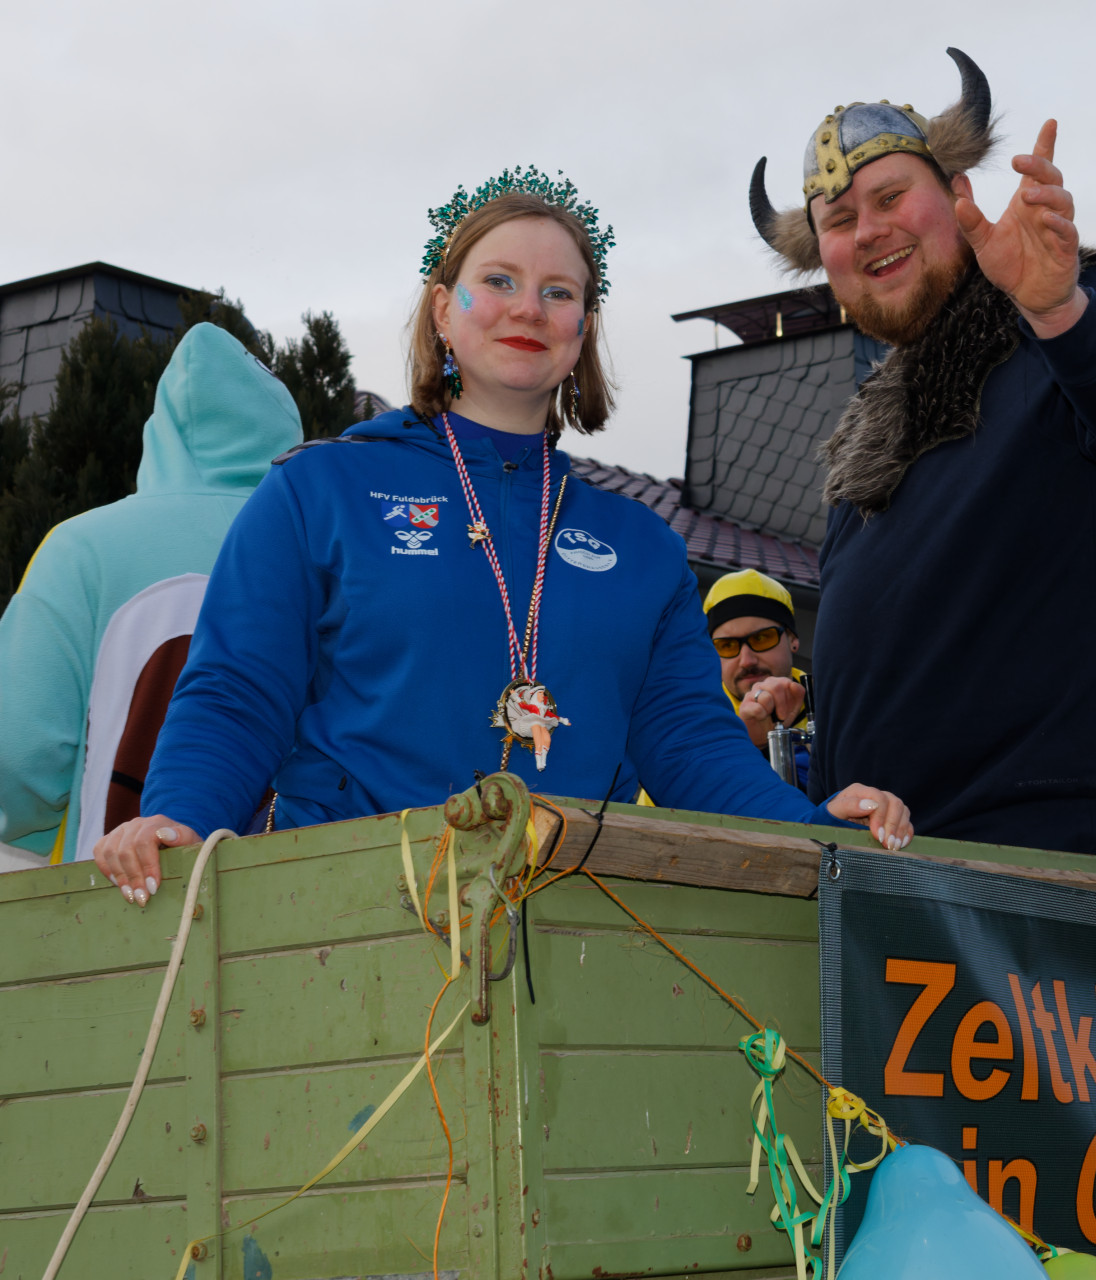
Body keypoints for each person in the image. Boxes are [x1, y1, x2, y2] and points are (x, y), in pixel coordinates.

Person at [93, 167, 911, 908]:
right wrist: (179, 817)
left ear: (582, 330)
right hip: (347, 911)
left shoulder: (642, 546)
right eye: (499, 281)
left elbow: (691, 747)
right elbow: (239, 691)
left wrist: (815, 829)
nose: (528, 308)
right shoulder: (320, 491)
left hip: (576, 924)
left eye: (559, 292)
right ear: (443, 310)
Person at [748, 49, 1096, 864]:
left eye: (890, 197)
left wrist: (1060, 309)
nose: (869, 231)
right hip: (900, 870)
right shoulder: (867, 438)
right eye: (839, 221)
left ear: (959, 193)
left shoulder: (1072, 310)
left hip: (1072, 864)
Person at [0, 324, 301, 869]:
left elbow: (19, 755)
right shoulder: (323, 547)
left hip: (110, 891)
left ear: (162, 429)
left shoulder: (82, 547)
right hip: (298, 884)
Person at [704, 568, 811, 786]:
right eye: (727, 645)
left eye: (762, 638)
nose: (746, 661)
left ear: (792, 639)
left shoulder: (836, 708)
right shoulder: (693, 725)